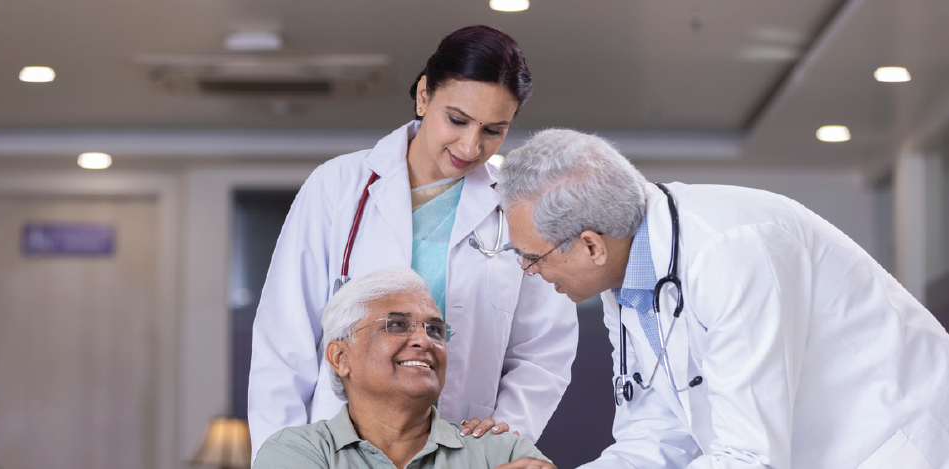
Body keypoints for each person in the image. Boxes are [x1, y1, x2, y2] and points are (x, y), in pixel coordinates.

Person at [496, 128, 949, 469]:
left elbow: (748, 457)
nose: (529, 271)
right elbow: (657, 435)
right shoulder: (630, 281)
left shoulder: (732, 250)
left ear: (592, 245)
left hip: (894, 447)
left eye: (533, 257)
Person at [248, 25, 578, 461]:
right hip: (340, 450)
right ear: (424, 95)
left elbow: (543, 348)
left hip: (465, 448)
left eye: (493, 130)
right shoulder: (338, 187)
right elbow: (283, 339)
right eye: (457, 120)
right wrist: (284, 453)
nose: (470, 145)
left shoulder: (515, 210)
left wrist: (504, 433)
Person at [256, 267, 556, 469]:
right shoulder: (294, 451)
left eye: (436, 330)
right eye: (397, 325)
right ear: (340, 357)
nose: (424, 341)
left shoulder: (502, 450)